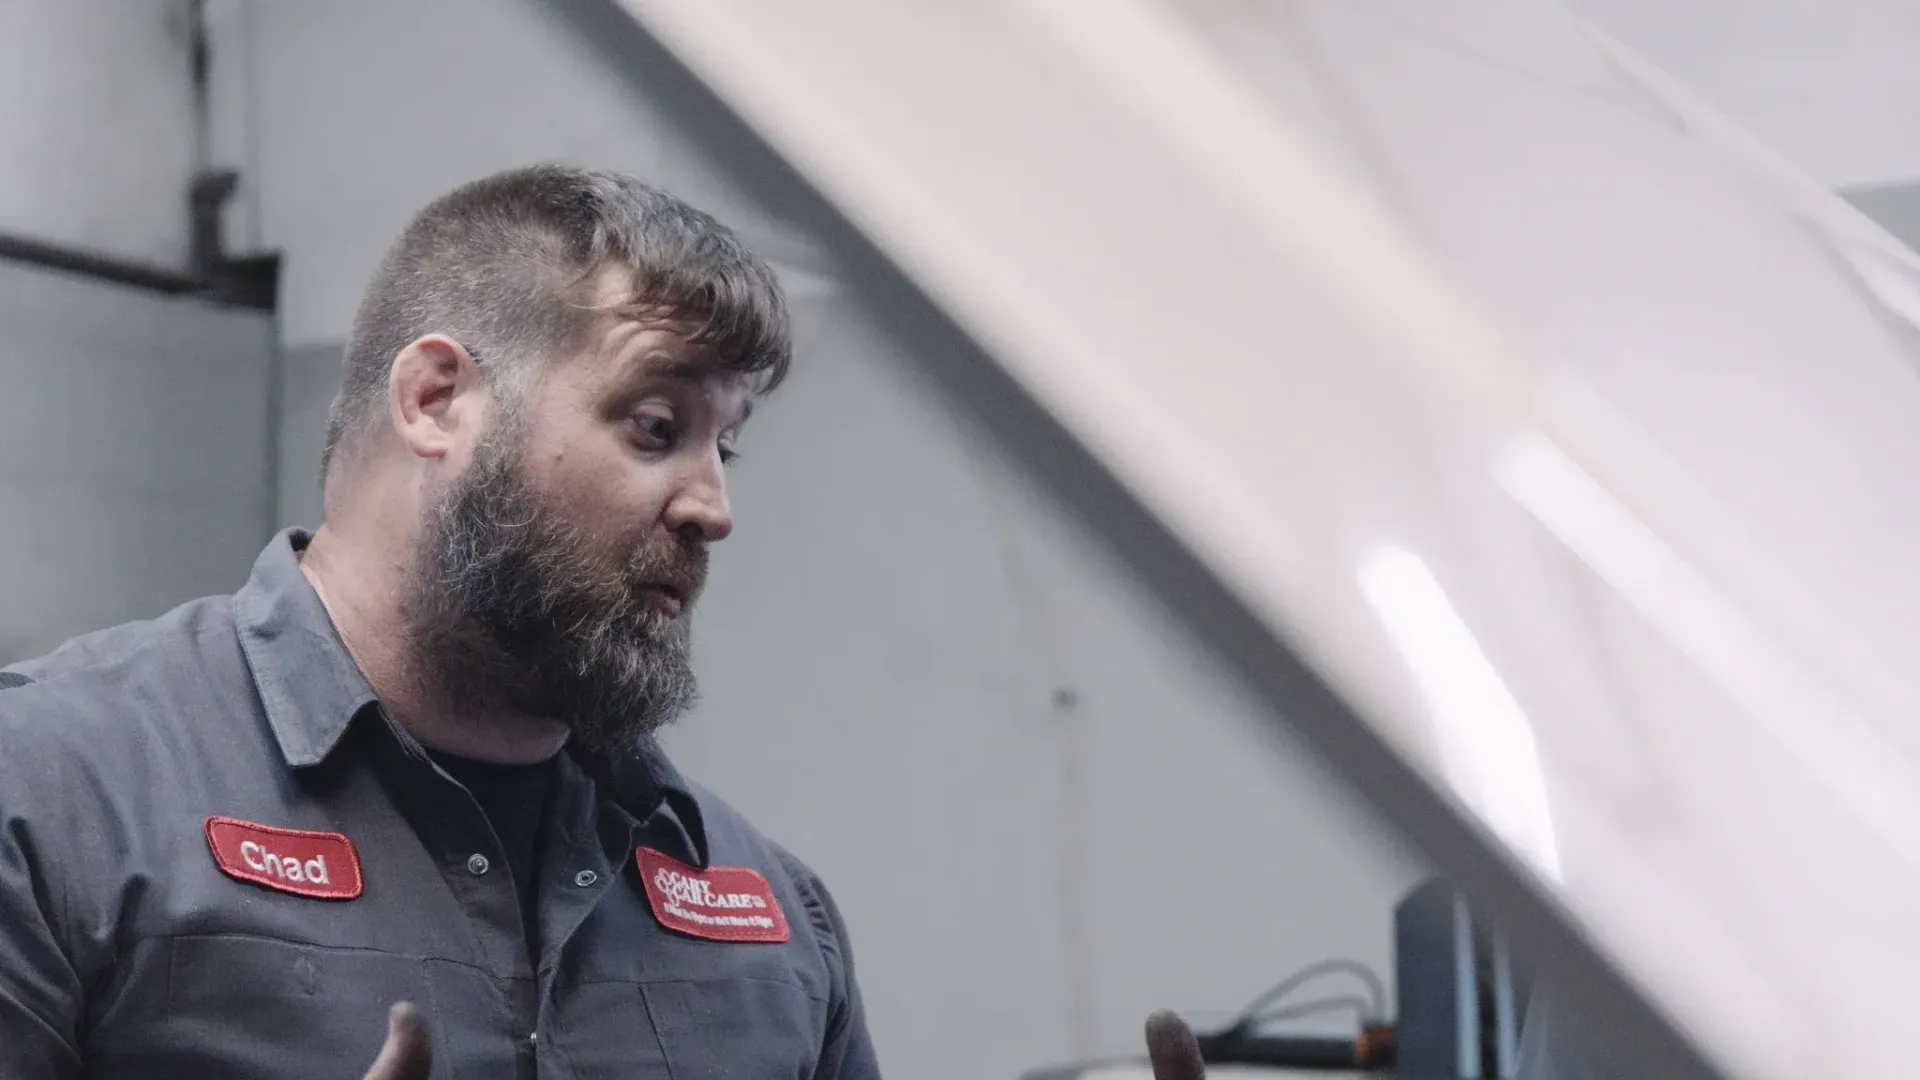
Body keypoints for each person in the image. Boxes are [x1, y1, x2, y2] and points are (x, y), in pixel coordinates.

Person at [0, 164, 1214, 1080]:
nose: (713, 507)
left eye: (727, 447)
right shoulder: (57, 798)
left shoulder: (769, 913)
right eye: (655, 428)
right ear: (437, 400)